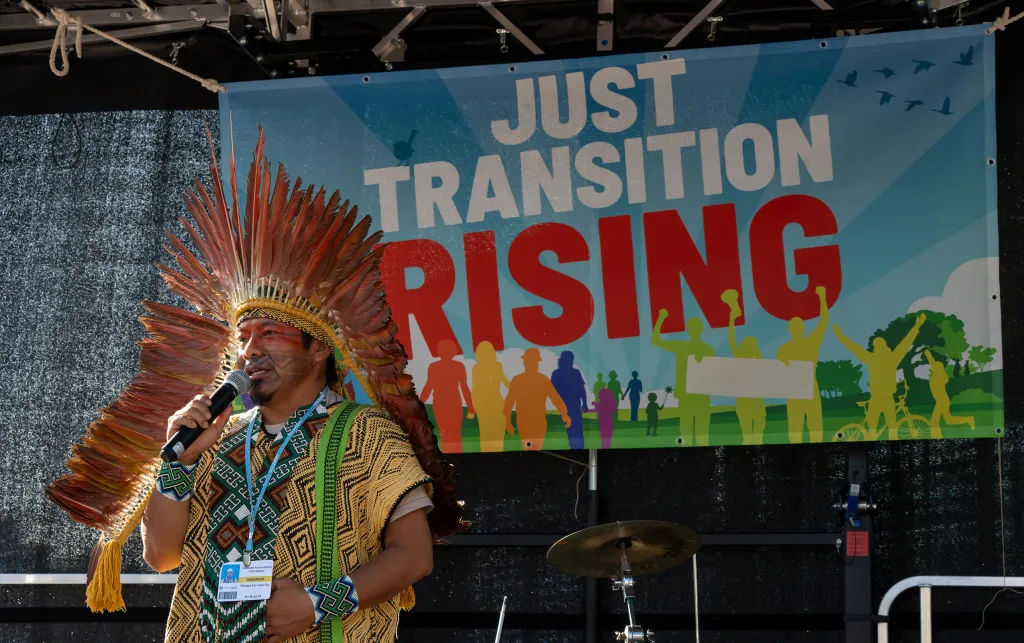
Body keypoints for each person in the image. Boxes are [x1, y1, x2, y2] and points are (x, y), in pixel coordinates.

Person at [46, 129, 465, 643]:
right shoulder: (216, 437)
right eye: (243, 338)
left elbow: (413, 556)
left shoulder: (367, 433)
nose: (250, 350)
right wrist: (179, 462)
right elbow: (162, 556)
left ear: (319, 349)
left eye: (269, 333)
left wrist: (316, 605)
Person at [833, 313, 926, 440]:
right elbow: (905, 343)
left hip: (876, 397)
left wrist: (840, 335)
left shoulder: (872, 358)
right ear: (885, 346)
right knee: (891, 425)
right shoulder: (892, 357)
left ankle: (871, 440)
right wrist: (916, 326)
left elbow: (854, 348)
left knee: (873, 425)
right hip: (886, 397)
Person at [651, 310, 715, 447]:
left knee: (693, 432)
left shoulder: (688, 347)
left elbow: (654, 339)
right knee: (696, 432)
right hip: (691, 395)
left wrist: (661, 318)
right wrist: (660, 318)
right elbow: (655, 340)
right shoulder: (702, 348)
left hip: (697, 395)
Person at [776, 286, 829, 444]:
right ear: (791, 330)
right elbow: (779, 371)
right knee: (795, 429)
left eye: (798, 326)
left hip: (808, 387)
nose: (796, 329)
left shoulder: (810, 343)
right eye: (794, 327)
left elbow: (824, 321)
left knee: (815, 428)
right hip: (795, 390)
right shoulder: (785, 348)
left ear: (802, 328)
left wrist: (822, 298)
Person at [722, 289, 766, 445]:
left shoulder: (755, 362)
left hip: (751, 403)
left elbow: (731, 339)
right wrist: (731, 319)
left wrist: (732, 319)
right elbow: (731, 339)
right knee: (751, 435)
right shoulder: (744, 360)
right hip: (748, 403)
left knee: (755, 435)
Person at [504, 348, 571, 450]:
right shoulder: (518, 380)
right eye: (528, 361)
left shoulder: (542, 380)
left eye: (531, 361)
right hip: (525, 421)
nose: (529, 363)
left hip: (538, 421)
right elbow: (509, 402)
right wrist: (507, 421)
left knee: (534, 448)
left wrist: (564, 413)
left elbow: (555, 397)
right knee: (529, 448)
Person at [420, 338, 475, 453]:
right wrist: (419, 404)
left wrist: (471, 408)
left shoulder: (458, 366)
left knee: (453, 434)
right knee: (446, 434)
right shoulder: (434, 366)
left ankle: (455, 455)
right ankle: (450, 455)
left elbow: (464, 388)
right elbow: (428, 386)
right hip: (442, 403)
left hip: (452, 402)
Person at [471, 341, 511, 452]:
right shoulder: (477, 368)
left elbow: (504, 381)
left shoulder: (497, 366)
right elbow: (475, 388)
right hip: (485, 405)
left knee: (497, 433)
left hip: (496, 404)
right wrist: (473, 409)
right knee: (486, 434)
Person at [924, 349, 975, 437]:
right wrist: (927, 354)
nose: (932, 366)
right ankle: (969, 419)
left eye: (934, 366)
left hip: (942, 401)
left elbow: (932, 362)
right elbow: (932, 362)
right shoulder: (939, 374)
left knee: (934, 422)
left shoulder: (938, 376)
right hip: (942, 400)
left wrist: (927, 353)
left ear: (937, 369)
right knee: (949, 420)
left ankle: (937, 436)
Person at [550, 351, 588, 449]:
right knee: (573, 434)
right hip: (563, 408)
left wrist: (585, 403)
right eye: (570, 359)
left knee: (577, 435)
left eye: (572, 359)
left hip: (575, 407)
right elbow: (552, 392)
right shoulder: (557, 373)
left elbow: (581, 389)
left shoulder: (575, 372)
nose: (571, 361)